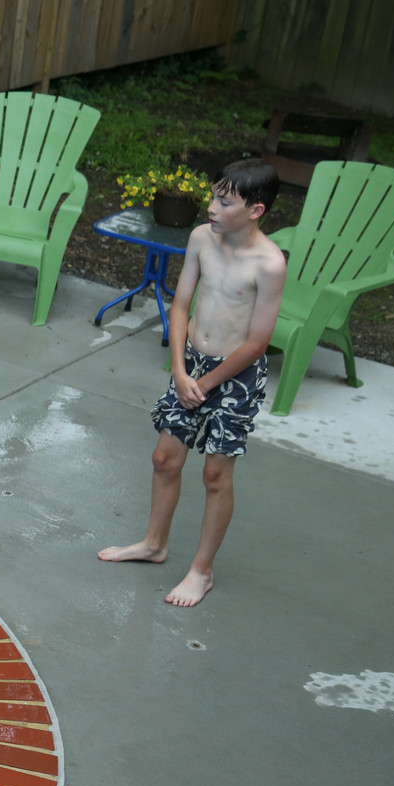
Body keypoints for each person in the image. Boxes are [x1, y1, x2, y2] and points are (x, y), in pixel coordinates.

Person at [98, 159, 286, 607]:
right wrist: (180, 371)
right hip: (192, 366)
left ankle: (202, 571)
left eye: (225, 202)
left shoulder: (270, 264)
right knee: (164, 459)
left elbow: (258, 343)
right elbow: (181, 305)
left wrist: (204, 384)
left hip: (235, 376)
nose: (212, 208)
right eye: (213, 197)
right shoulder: (202, 238)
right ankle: (154, 544)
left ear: (256, 210)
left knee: (215, 475)